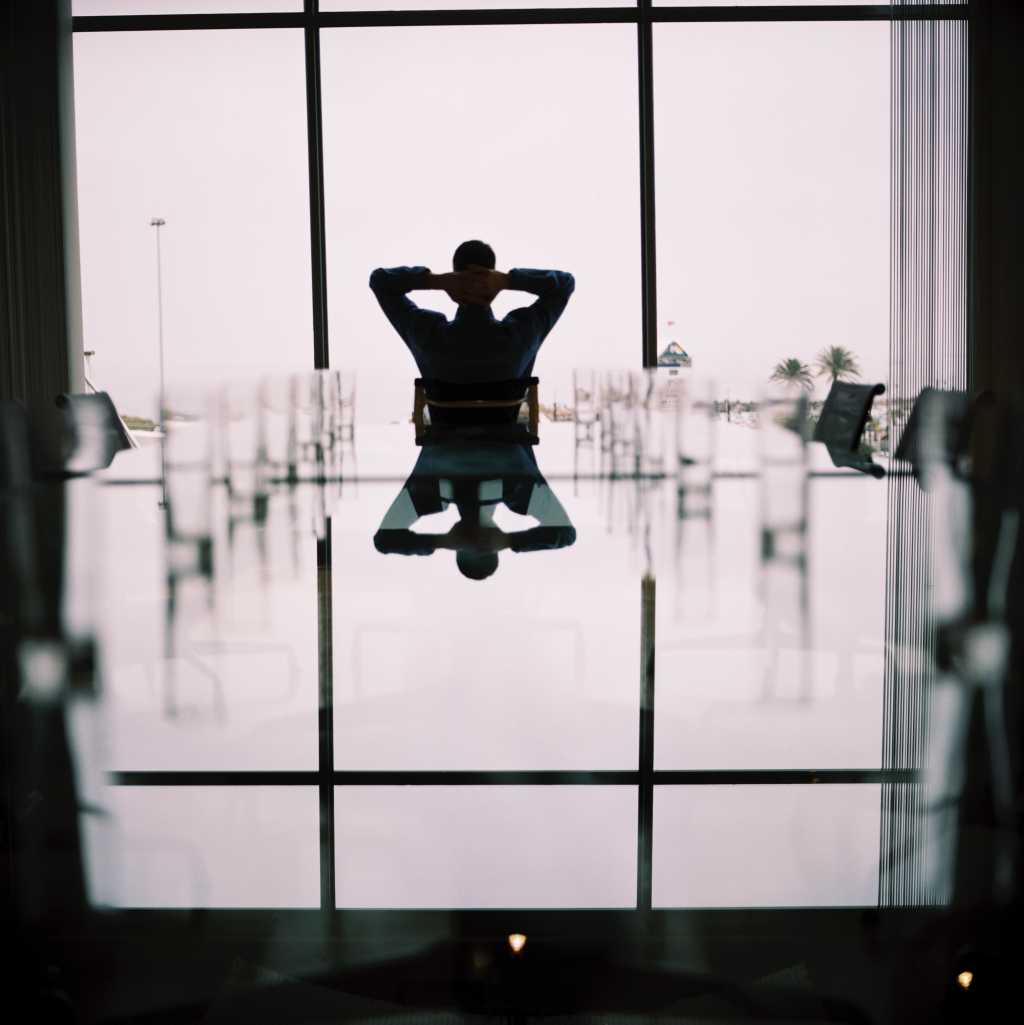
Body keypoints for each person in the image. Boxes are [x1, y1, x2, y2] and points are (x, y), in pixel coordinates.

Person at [368, 240, 574, 384]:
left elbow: (379, 281)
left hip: (444, 439)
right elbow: (565, 284)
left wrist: (436, 280)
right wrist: (508, 280)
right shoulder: (522, 333)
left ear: (453, 277)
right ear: (493, 283)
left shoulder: (426, 333)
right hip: (506, 440)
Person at [374, 439, 576, 580]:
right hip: (442, 391)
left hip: (505, 391)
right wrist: (442, 541)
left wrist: (508, 541)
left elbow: (566, 534)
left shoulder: (518, 490)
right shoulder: (432, 491)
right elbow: (384, 541)